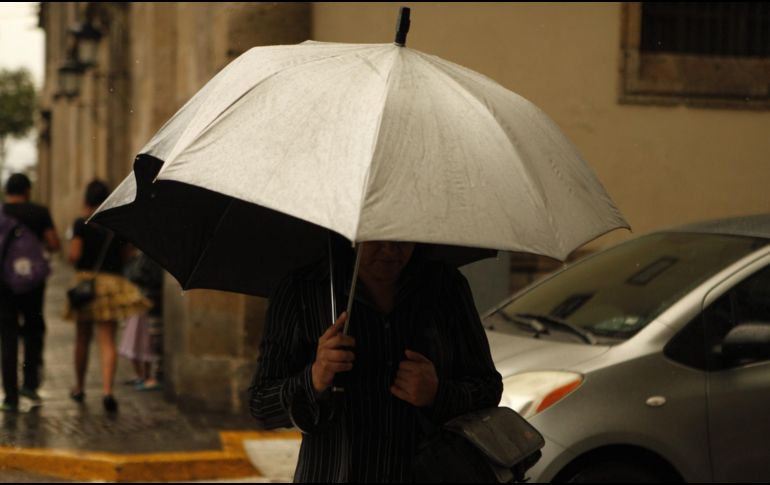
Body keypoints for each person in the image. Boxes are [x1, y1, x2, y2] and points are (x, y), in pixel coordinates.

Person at [249, 239, 503, 482]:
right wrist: (314, 378)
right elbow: (261, 405)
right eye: (378, 238)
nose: (390, 250)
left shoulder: (445, 287)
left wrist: (438, 394)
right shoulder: (303, 290)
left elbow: (489, 388)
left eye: (402, 237)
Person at [65, 180, 151, 413]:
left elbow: (74, 256)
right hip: (112, 285)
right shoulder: (117, 225)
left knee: (82, 339)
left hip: (86, 284)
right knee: (107, 341)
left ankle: (80, 387)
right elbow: (126, 256)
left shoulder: (81, 224)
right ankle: (107, 391)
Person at [0, 173, 60, 411]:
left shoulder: (1, 213)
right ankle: (30, 383)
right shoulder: (39, 212)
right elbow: (54, 244)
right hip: (33, 284)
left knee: (8, 336)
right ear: (27, 191)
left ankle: (10, 396)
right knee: (33, 330)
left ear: (7, 191)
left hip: (3, 284)